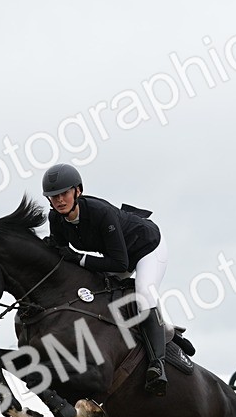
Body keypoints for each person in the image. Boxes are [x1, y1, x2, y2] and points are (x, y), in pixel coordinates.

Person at [41, 163, 169, 396]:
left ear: (77, 191)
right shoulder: (56, 219)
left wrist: (80, 258)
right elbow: (60, 254)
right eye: (53, 196)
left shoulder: (101, 212)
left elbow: (120, 264)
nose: (59, 200)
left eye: (64, 194)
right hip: (117, 256)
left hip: (147, 249)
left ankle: (157, 364)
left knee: (143, 292)